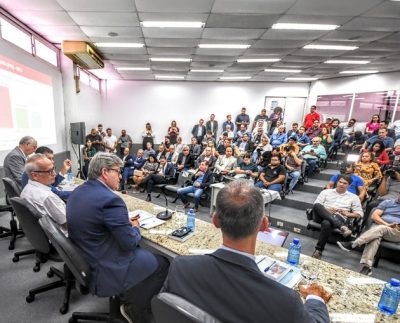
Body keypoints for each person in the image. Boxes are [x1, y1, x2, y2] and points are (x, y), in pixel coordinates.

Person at [163, 180, 330, 323]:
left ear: (215, 221)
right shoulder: (286, 301)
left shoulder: (180, 266)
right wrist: (315, 298)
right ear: (264, 225)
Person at [66, 152, 169, 323]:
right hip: (106, 265)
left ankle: (129, 295)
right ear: (105, 172)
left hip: (86, 255)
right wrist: (135, 228)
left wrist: (120, 222)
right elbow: (129, 243)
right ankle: (135, 309)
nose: (121, 176)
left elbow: (95, 219)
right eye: (118, 172)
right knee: (162, 263)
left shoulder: (78, 191)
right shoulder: (111, 200)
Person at [337, 196, 400, 276]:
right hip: (379, 226)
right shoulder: (388, 202)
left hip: (396, 232)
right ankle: (367, 267)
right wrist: (387, 225)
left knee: (379, 230)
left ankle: (354, 244)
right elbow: (374, 216)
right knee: (375, 238)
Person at [311, 175, 363, 259]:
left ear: (349, 186)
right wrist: (327, 210)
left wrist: (347, 214)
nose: (341, 184)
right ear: (336, 182)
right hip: (320, 215)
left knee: (327, 223)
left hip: (339, 216)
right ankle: (341, 226)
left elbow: (360, 213)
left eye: (345, 183)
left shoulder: (354, 197)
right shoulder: (326, 192)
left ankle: (318, 251)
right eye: (340, 182)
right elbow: (316, 205)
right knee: (317, 205)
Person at [21, 154, 67, 234]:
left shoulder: (27, 189)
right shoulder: (47, 197)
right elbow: (67, 224)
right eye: (50, 171)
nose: (54, 174)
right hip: (65, 237)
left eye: (54, 169)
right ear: (35, 175)